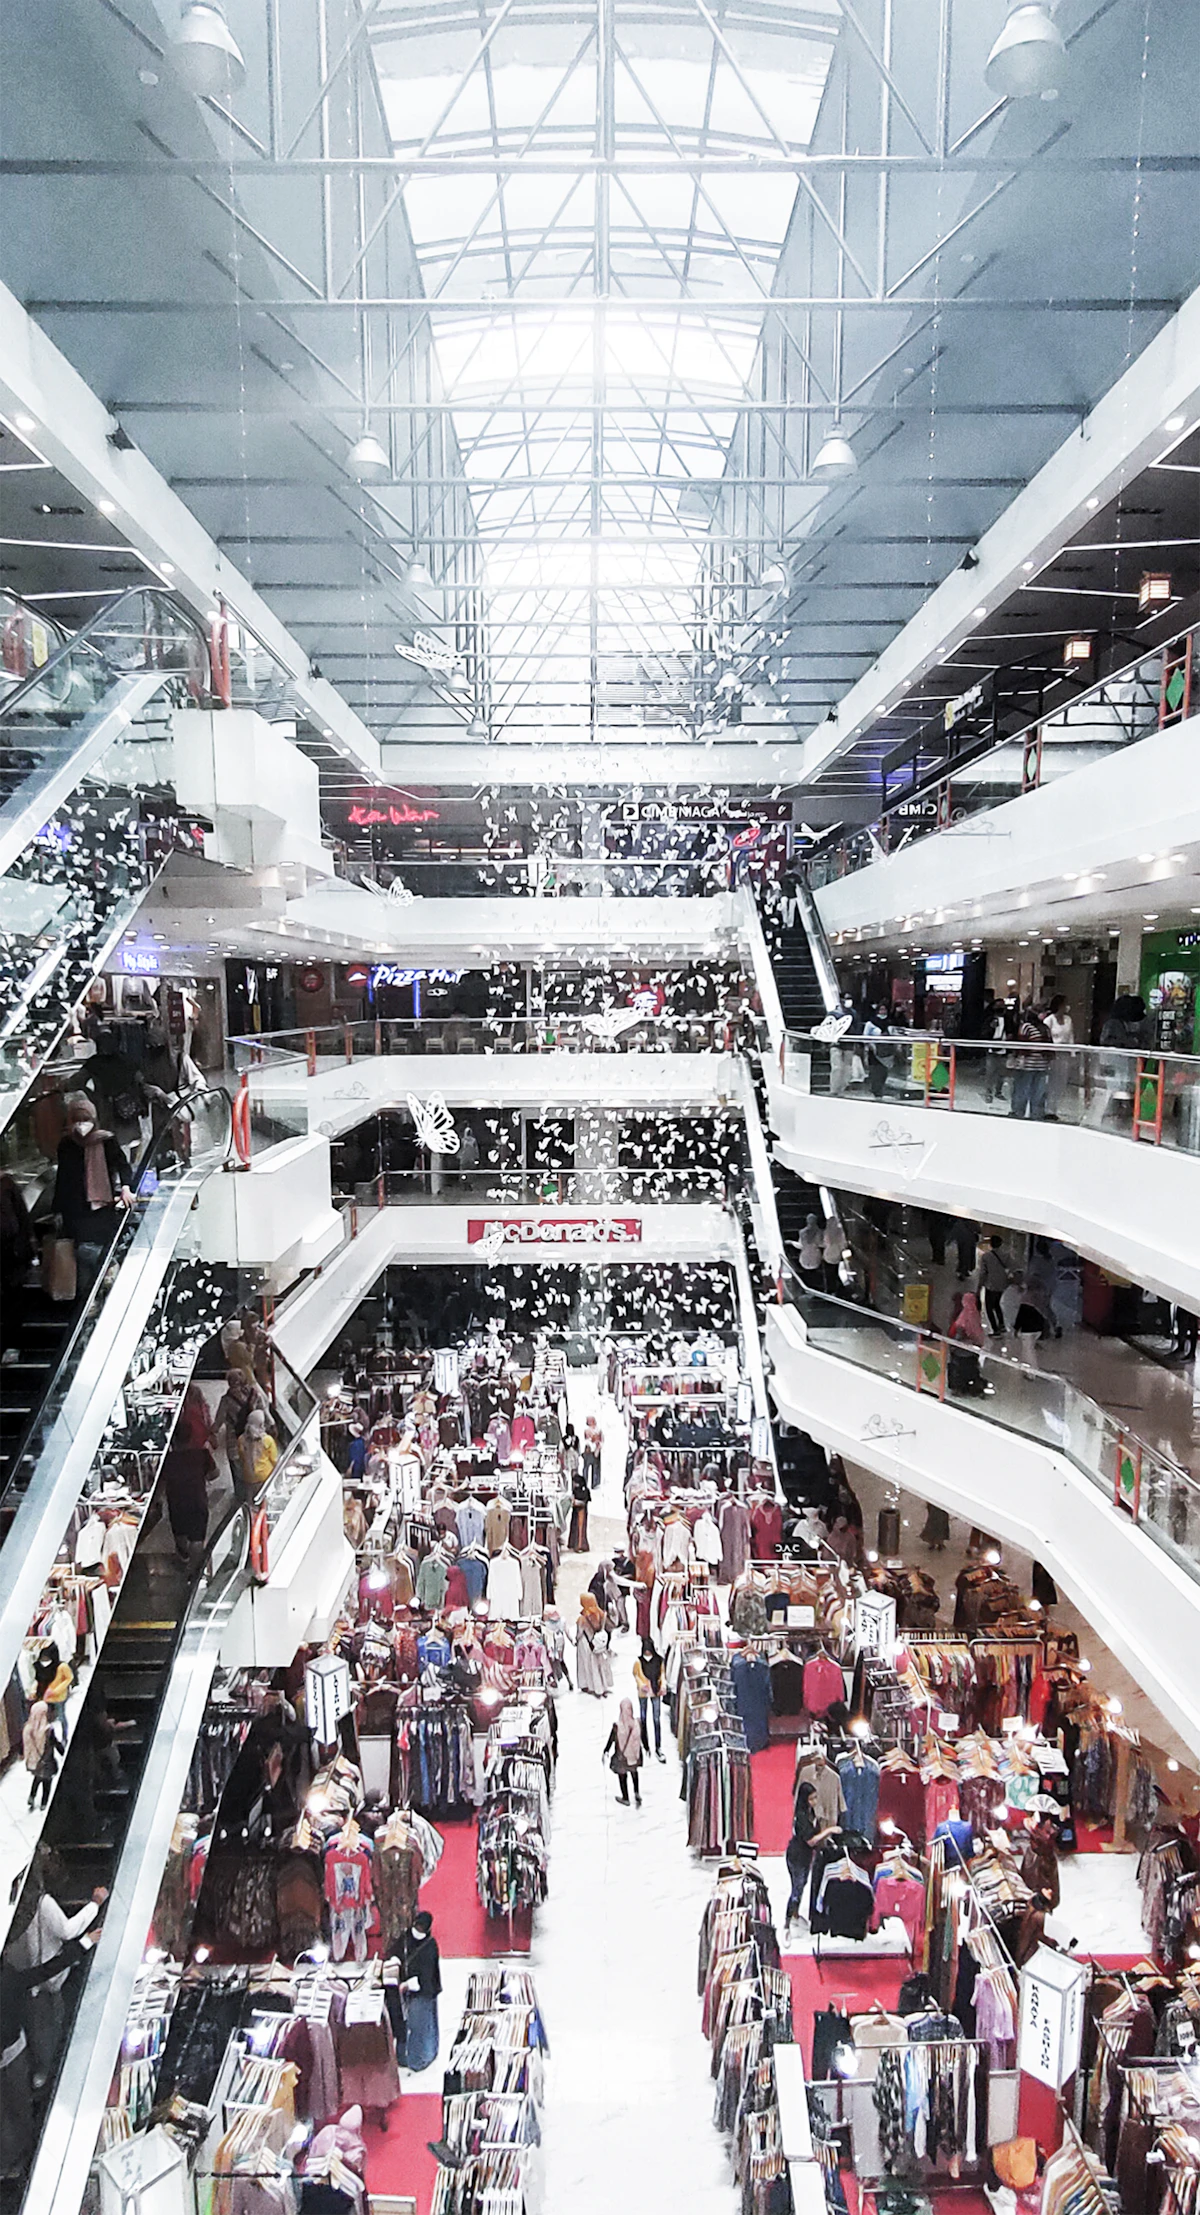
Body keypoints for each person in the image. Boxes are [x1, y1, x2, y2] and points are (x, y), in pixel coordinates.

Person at [5, 1855, 106, 2088]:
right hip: (46, 1976)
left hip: (19, 1974)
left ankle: (38, 2070)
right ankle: (46, 2071)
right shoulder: (42, 1903)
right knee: (48, 2022)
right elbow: (67, 1930)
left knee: (32, 2022)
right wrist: (95, 1904)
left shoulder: (13, 1904)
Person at [52, 1095, 135, 1300]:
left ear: (94, 1119)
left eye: (85, 1119)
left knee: (94, 1249)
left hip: (101, 1206)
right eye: (76, 1119)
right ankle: (88, 1299)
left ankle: (101, 1291)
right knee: (82, 1252)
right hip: (75, 1209)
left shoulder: (106, 1141)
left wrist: (126, 1188)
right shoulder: (66, 1144)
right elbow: (63, 1177)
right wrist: (58, 1210)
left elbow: (123, 1165)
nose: (81, 1124)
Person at [164, 1382, 216, 1556]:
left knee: (180, 1533)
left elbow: (161, 1482)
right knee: (197, 1537)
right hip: (197, 1501)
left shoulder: (168, 1460)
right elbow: (214, 1474)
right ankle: (197, 1565)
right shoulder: (201, 1454)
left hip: (177, 1503)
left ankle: (183, 1556)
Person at [395, 1909, 441, 2071]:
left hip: (424, 1993)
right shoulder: (406, 1939)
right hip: (409, 1992)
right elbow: (396, 1952)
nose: (418, 1930)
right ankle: (407, 2057)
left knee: (421, 2026)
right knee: (411, 2026)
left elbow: (427, 1975)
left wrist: (408, 1984)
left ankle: (421, 2059)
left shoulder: (430, 1946)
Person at [785, 1780, 834, 1925]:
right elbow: (810, 1840)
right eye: (811, 1798)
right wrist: (828, 1831)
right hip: (797, 1856)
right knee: (797, 1887)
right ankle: (789, 1918)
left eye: (815, 1798)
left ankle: (795, 1915)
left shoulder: (809, 1812)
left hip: (805, 1856)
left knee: (801, 1884)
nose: (814, 1801)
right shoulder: (801, 1817)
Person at [1009, 1001, 1052, 1120]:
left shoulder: (1045, 1028)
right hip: (1027, 1065)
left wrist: (1048, 1056)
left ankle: (1037, 1114)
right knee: (1022, 1089)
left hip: (1041, 1065)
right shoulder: (1026, 1027)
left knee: (1039, 1092)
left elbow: (1049, 1045)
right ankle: (1018, 1112)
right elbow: (1022, 1046)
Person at [947, 1289, 989, 1397]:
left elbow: (959, 1333)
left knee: (959, 1369)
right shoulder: (975, 1314)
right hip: (974, 1349)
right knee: (971, 1369)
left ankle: (959, 1389)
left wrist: (953, 1346)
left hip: (962, 1350)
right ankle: (973, 1386)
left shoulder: (964, 1316)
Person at [603, 1697, 644, 1806]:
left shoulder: (617, 1726)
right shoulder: (637, 1723)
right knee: (634, 1772)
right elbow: (643, 1737)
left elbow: (611, 1740)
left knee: (622, 1775)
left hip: (622, 1756)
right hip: (634, 1755)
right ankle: (636, 1792)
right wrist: (647, 1747)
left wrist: (606, 1751)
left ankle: (625, 1798)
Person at [574, 1593, 612, 1696]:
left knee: (586, 1665)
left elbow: (579, 1633)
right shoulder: (601, 1614)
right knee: (599, 1665)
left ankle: (588, 1685)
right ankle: (602, 1685)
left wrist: (575, 1640)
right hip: (598, 1642)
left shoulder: (582, 1618)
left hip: (585, 1643)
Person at [634, 1637, 666, 1759]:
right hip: (643, 1693)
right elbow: (636, 1675)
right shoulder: (638, 1662)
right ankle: (645, 1744)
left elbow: (662, 1674)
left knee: (656, 1719)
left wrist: (662, 1685)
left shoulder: (659, 1661)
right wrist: (641, 1685)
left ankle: (658, 1746)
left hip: (656, 1691)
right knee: (643, 1719)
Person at [1044, 995, 1075, 1119]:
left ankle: (1053, 1109)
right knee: (1050, 1082)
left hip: (1064, 1054)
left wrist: (1072, 1053)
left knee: (1060, 1083)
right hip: (1053, 1054)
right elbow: (1046, 1038)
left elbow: (1071, 1036)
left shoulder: (1068, 1020)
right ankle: (1045, 1108)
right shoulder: (1049, 1020)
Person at [22, 1701, 57, 1810]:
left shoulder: (28, 1728)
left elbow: (25, 1747)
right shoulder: (48, 1730)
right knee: (47, 1783)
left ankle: (32, 1797)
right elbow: (53, 1744)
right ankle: (43, 1804)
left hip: (35, 1762)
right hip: (47, 1761)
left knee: (37, 1779)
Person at [976, 1236, 1012, 1337]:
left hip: (990, 1285)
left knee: (989, 1307)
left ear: (991, 1244)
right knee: (997, 1304)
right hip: (1002, 1284)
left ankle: (995, 1330)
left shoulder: (986, 1257)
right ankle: (1002, 1325)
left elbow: (983, 1273)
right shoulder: (1006, 1256)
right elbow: (1011, 1267)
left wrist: (980, 1286)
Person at [238, 1406, 279, 1494]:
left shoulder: (241, 1439)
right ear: (261, 1425)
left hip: (249, 1477)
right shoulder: (267, 1440)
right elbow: (274, 1460)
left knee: (252, 1499)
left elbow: (242, 1458)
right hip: (265, 1476)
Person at [982, 993, 1010, 1105]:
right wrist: (990, 1027)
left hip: (1004, 1049)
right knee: (990, 1072)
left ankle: (998, 1091)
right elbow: (983, 1033)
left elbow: (1011, 1031)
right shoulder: (989, 1019)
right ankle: (988, 1092)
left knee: (1002, 1072)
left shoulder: (1008, 1019)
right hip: (992, 1049)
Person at [862, 1002, 893, 1099]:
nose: (883, 1011)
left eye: (884, 1009)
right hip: (874, 1051)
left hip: (886, 1052)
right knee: (875, 1071)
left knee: (884, 1072)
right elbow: (865, 1037)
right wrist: (869, 1046)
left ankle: (881, 1090)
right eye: (881, 1009)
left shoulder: (889, 1022)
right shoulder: (870, 1023)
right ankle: (875, 1090)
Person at [567, 1445, 590, 1552]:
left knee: (580, 1530)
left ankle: (580, 1545)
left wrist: (576, 1502)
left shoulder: (584, 1491)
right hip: (576, 1513)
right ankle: (574, 1544)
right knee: (575, 1528)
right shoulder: (576, 1490)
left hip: (581, 1513)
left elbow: (584, 1502)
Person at [796, 1213, 824, 1290]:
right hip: (815, 1258)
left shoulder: (802, 1232)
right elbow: (821, 1244)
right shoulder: (819, 1232)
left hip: (804, 1259)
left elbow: (800, 1244)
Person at [582, 1413, 602, 1491]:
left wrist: (598, 1447)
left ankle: (595, 1483)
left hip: (595, 1450)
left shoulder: (598, 1429)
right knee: (586, 1468)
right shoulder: (587, 1430)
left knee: (595, 1467)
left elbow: (600, 1440)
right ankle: (585, 1482)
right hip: (589, 1450)